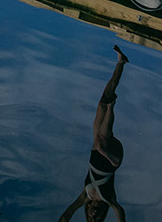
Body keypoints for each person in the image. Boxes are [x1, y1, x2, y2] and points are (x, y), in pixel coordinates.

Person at [60, 46, 130, 222]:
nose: (94, 216)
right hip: (113, 158)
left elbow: (67, 215)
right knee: (101, 141)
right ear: (102, 216)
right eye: (98, 220)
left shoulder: (85, 197)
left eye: (91, 219)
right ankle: (112, 108)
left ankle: (120, 63)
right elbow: (120, 213)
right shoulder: (109, 199)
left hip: (97, 147)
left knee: (102, 102)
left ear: (88, 211)